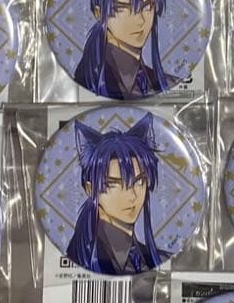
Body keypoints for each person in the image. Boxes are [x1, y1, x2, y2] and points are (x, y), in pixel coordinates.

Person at [74, 0, 181, 97]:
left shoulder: (160, 81)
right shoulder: (88, 81)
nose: (140, 20)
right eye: (122, 8)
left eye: (147, 6)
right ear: (99, 13)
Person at [66, 113, 166, 274]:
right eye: (114, 184)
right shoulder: (78, 259)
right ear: (90, 189)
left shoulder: (158, 259)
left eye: (139, 181)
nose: (132, 196)